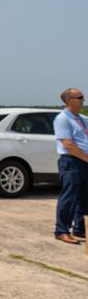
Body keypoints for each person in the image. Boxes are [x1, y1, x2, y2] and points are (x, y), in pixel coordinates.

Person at [52, 88, 88, 244]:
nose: (83, 99)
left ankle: (80, 228)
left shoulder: (82, 119)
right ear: (69, 100)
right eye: (80, 97)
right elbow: (68, 144)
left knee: (84, 197)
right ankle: (61, 230)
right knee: (69, 196)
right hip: (72, 161)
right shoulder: (62, 119)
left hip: (84, 161)